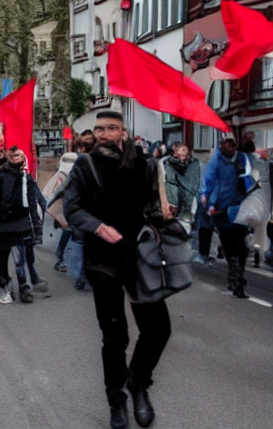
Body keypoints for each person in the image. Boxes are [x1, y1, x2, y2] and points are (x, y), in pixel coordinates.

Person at [64, 111, 169, 429]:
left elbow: (151, 205)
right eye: (99, 129)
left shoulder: (144, 164)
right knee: (115, 336)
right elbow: (72, 208)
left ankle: (138, 382)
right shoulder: (85, 164)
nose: (104, 133)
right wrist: (97, 227)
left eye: (111, 128)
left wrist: (160, 218)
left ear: (123, 132)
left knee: (158, 329)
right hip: (102, 261)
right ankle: (117, 401)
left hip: (138, 257)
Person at [0, 147, 42, 304]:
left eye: (20, 155)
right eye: (14, 155)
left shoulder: (27, 177)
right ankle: (5, 287)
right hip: (3, 226)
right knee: (2, 260)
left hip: (21, 225)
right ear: (9, 156)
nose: (17, 157)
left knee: (20, 260)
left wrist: (36, 227)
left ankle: (24, 287)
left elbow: (33, 202)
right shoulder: (0, 175)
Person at [200, 137, 252, 298]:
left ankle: (237, 275)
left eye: (233, 146)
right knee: (230, 243)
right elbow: (209, 180)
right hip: (222, 207)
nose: (231, 149)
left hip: (239, 206)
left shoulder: (242, 159)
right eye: (229, 146)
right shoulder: (216, 160)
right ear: (222, 146)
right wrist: (205, 196)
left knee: (241, 243)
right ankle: (235, 273)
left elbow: (251, 179)